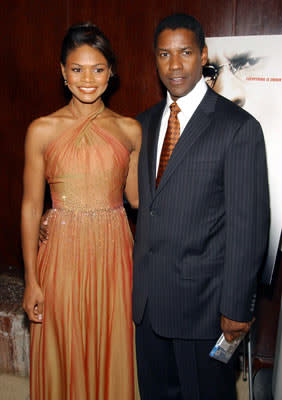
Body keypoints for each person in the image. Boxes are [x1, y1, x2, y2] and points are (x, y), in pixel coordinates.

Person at [132, 14, 270, 400]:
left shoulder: (237, 128)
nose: (174, 65)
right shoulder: (140, 125)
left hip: (205, 311)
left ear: (203, 55)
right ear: (155, 59)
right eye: (164, 54)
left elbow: (249, 227)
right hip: (148, 308)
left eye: (185, 52)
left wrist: (236, 307)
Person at [21, 23, 141, 400]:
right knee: (61, 348)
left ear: (112, 72)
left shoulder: (130, 130)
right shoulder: (42, 129)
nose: (87, 79)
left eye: (98, 69)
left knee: (113, 345)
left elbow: (139, 201)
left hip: (114, 256)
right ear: (62, 72)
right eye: (77, 69)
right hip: (60, 256)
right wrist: (31, 279)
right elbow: (29, 206)